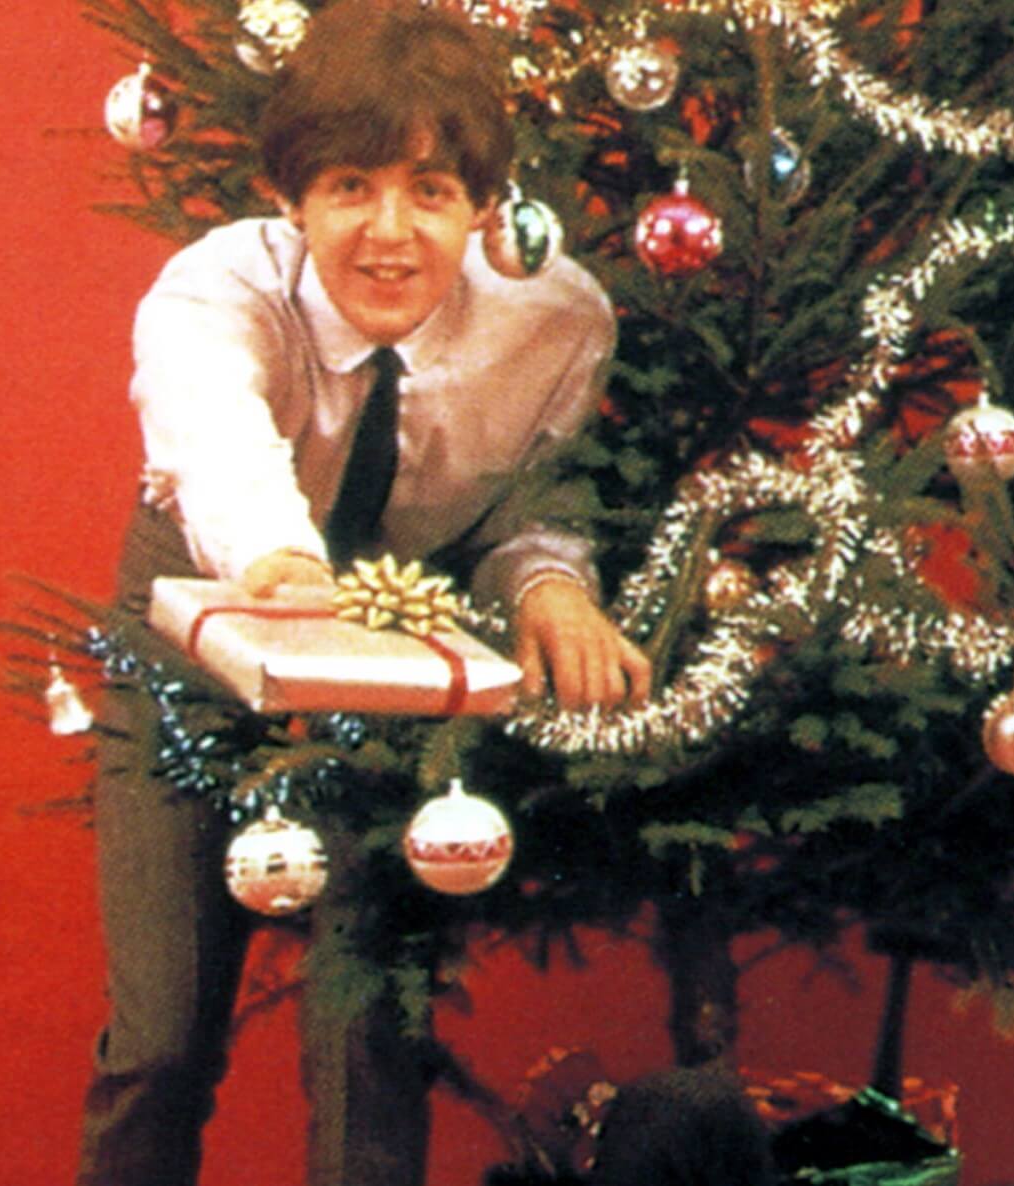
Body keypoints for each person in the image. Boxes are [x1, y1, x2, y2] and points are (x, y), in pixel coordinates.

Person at [76, 3, 650, 1184]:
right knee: (160, 1037)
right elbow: (214, 441)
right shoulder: (214, 290)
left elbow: (533, 509)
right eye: (348, 187)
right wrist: (283, 568)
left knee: (368, 1038)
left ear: (484, 207)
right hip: (200, 636)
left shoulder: (559, 321)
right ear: (290, 200)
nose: (389, 234)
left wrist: (550, 591)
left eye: (430, 192)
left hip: (397, 669)